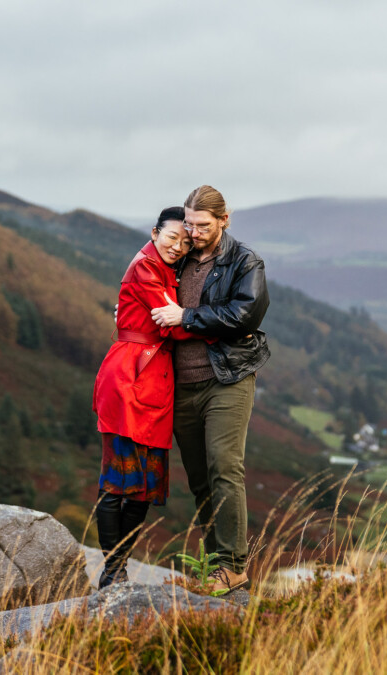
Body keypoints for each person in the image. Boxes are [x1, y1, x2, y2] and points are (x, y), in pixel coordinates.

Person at [150, 185, 270, 594]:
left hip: (227, 379)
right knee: (200, 478)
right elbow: (152, 292)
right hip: (181, 383)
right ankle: (217, 561)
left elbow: (243, 314)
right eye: (189, 223)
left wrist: (186, 315)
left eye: (203, 225)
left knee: (224, 466)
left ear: (224, 220)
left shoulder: (245, 261)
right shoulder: (179, 255)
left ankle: (234, 566)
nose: (194, 232)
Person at [91, 206, 204, 588]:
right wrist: (219, 323)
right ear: (155, 232)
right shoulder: (145, 267)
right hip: (129, 381)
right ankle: (112, 570)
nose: (178, 246)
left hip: (154, 385)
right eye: (172, 237)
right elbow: (170, 324)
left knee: (141, 490)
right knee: (118, 483)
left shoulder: (168, 269)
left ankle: (117, 566)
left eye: (185, 242)